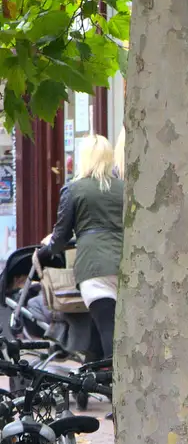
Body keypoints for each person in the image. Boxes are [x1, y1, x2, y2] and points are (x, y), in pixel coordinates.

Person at [41, 133, 125, 362]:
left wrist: (47, 250)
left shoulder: (74, 190)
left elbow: (60, 237)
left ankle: (112, 383)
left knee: (106, 327)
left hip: (94, 267)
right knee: (101, 326)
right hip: (125, 263)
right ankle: (90, 375)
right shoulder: (124, 189)